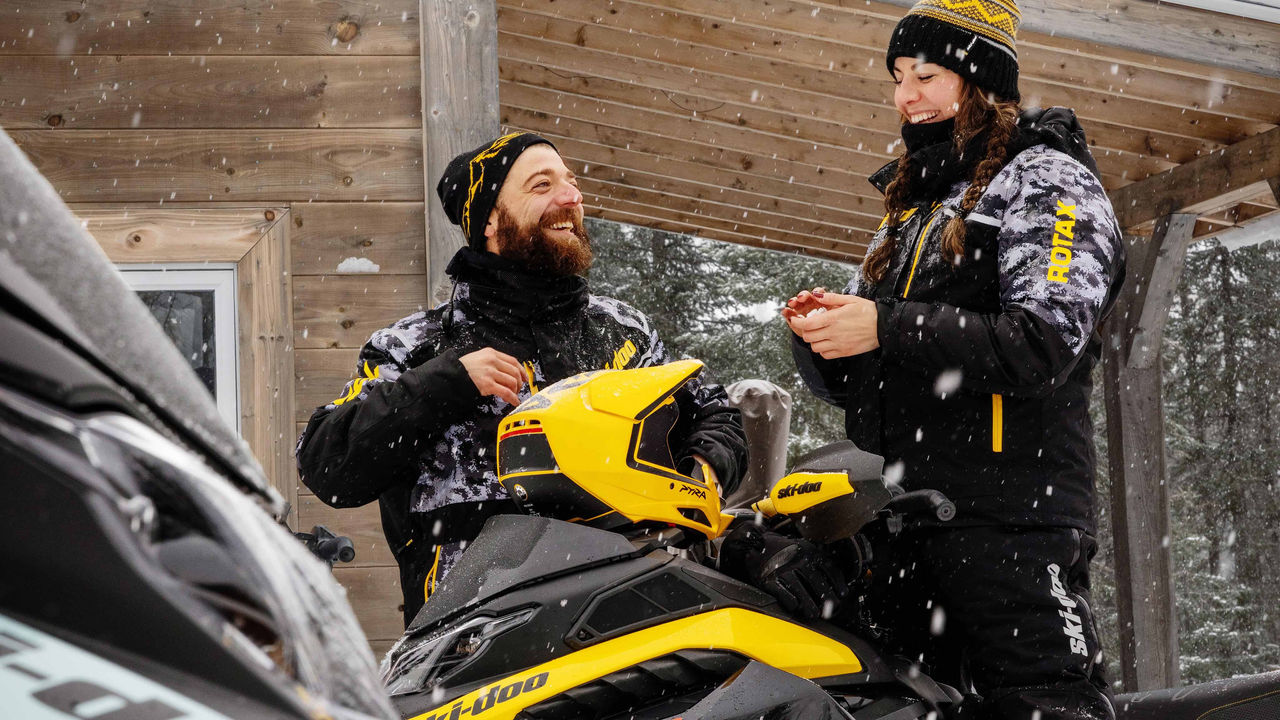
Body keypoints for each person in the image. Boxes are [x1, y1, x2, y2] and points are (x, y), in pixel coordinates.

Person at [779, 0, 1125, 717]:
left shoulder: (1047, 180)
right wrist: (823, 336)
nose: (905, 96)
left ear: (981, 83)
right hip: (896, 519)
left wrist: (885, 325)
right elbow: (868, 365)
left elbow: (1043, 343)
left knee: (1045, 704)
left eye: (928, 76)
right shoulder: (913, 202)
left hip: (1009, 523)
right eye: (898, 76)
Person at [297, 131, 748, 625]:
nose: (572, 197)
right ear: (489, 219)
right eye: (542, 185)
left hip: (627, 626)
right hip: (473, 645)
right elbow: (328, 465)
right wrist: (446, 383)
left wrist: (704, 469)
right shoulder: (417, 346)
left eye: (572, 183)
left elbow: (712, 411)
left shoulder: (623, 332)